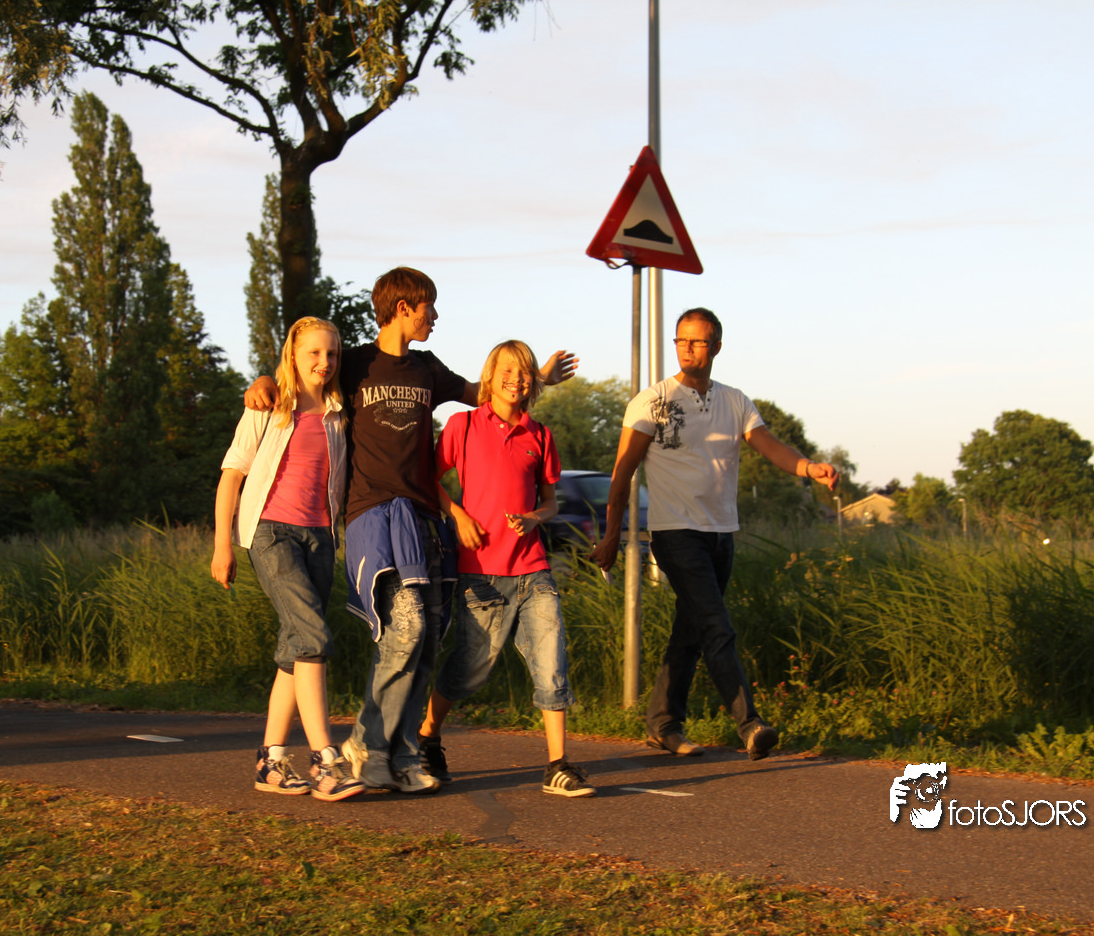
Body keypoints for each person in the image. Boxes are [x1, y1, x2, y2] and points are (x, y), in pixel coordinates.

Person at [244, 267, 576, 794]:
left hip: (423, 516)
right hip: (372, 511)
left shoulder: (427, 368)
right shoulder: (355, 363)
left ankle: (399, 754)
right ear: (403, 308)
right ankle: (365, 745)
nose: (434, 316)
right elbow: (303, 377)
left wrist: (539, 379)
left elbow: (484, 392)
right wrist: (262, 383)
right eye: (429, 307)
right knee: (406, 625)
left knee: (426, 639)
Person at [589, 307, 837, 761]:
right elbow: (623, 472)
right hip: (675, 532)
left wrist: (809, 468)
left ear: (717, 346)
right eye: (681, 340)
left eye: (698, 341)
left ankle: (663, 723)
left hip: (721, 533)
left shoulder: (735, 401)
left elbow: (770, 446)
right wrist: (611, 536)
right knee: (716, 626)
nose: (687, 349)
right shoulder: (652, 401)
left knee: (691, 630)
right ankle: (751, 724)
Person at [422, 340, 595, 798]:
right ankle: (427, 737)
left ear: (532, 380)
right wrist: (457, 517)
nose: (515, 379)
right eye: (507, 370)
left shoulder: (540, 436)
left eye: (523, 372)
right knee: (470, 669)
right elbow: (427, 479)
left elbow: (550, 502)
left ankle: (557, 765)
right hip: (480, 573)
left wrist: (535, 518)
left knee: (551, 661)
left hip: (533, 569)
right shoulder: (462, 426)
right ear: (489, 374)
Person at [211, 316, 365, 803]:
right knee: (314, 637)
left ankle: (271, 762)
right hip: (271, 533)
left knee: (294, 648)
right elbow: (232, 476)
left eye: (332, 353)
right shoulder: (269, 404)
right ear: (293, 356)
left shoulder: (338, 411)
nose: (324, 362)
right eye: (314, 353)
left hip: (321, 537)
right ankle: (326, 761)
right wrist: (222, 545)